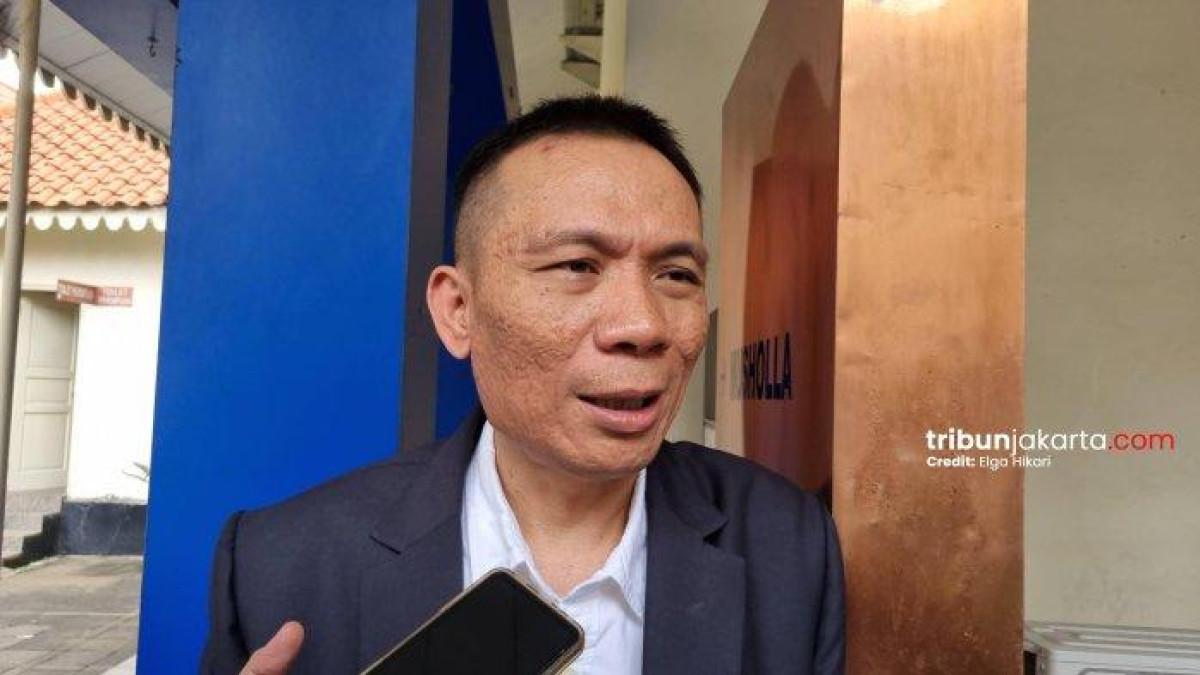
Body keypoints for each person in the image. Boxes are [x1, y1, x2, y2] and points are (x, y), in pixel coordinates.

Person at [201, 96, 845, 675]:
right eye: (577, 266)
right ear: (459, 310)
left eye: (676, 275)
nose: (643, 326)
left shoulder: (788, 547)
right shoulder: (281, 566)